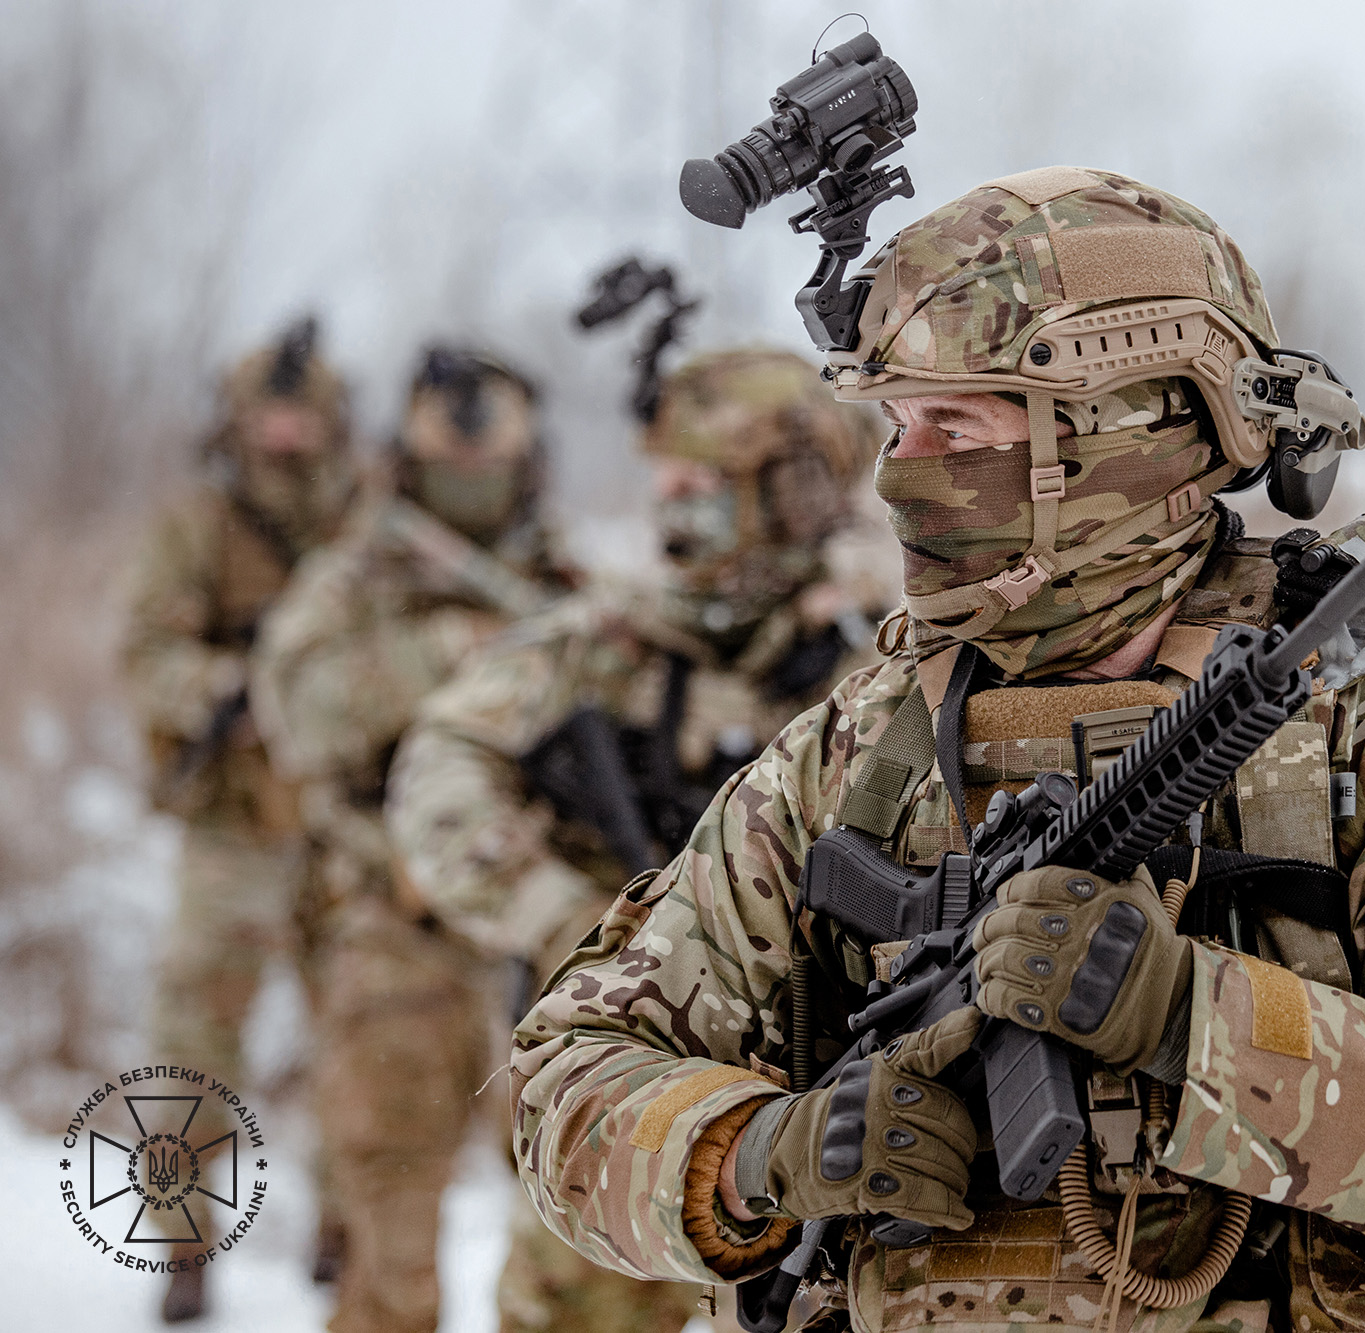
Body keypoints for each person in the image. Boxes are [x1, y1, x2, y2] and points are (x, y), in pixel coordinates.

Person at [503, 169, 1365, 1333]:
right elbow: (565, 1083)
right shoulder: (856, 749)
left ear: (1123, 433)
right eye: (896, 424)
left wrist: (1192, 1020)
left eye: (956, 427)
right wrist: (759, 1153)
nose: (899, 472)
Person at [384, 345, 885, 1333]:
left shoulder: (874, 656)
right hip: (632, 1088)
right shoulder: (601, 642)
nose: (670, 508)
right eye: (664, 483)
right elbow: (438, 772)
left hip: (818, 1112)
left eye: (700, 485)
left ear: (792, 491)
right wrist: (559, 917)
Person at [252, 346, 577, 1333]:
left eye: (491, 458)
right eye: (450, 457)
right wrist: (441, 653)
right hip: (399, 933)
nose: (472, 476)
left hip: (546, 939)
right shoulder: (357, 571)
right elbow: (292, 708)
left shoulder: (566, 581)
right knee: (391, 1256)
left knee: (576, 1247)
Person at [121, 317, 357, 1323]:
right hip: (233, 827)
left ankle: (350, 1231)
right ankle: (182, 1243)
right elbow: (145, 652)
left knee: (364, 1028)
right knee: (194, 1036)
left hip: (344, 823)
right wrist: (225, 689)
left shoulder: (364, 517)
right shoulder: (200, 525)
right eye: (270, 413)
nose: (286, 432)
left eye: (303, 414)